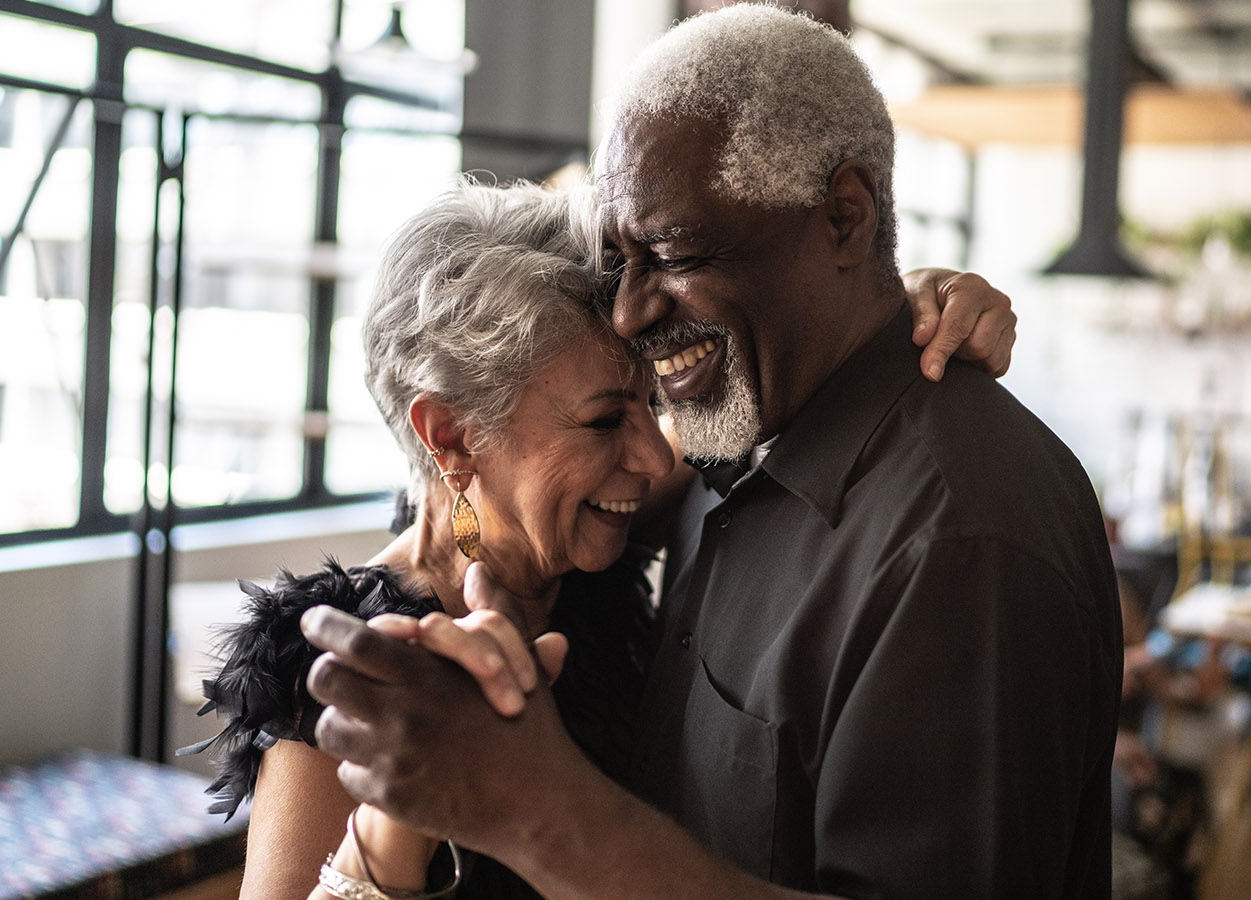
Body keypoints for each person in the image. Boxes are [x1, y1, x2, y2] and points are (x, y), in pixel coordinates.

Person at [303, 5, 1120, 899]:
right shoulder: (739, 451)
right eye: (621, 262)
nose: (629, 311)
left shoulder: (958, 541)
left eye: (674, 251)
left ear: (845, 217)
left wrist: (538, 807)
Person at [188, 177, 1017, 897]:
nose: (657, 456)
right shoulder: (346, 672)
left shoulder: (588, 550)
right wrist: (400, 818)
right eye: (604, 419)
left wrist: (908, 308)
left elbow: (793, 385)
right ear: (451, 437)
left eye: (650, 403)